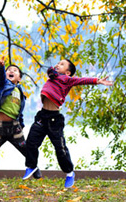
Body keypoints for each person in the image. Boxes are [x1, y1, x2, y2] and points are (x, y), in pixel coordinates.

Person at [23, 59, 113, 188]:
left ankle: (70, 173)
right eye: (58, 63)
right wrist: (55, 69)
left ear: (68, 72)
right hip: (42, 116)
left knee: (60, 149)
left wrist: (97, 81)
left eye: (62, 64)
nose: (58, 64)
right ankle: (31, 166)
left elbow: (82, 80)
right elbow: (51, 71)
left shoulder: (67, 79)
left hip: (54, 119)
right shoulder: (52, 76)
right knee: (31, 142)